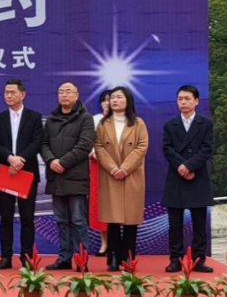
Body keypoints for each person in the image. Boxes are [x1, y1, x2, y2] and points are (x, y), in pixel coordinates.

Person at [0, 78, 44, 269]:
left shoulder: (34, 117)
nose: (9, 95)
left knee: (27, 218)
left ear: (23, 94)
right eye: (6, 92)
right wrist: (10, 158)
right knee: (5, 218)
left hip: (26, 172)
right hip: (6, 171)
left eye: (12, 92)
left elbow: (37, 142)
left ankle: (26, 257)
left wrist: (20, 159)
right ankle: (6, 256)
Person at [41, 82, 96, 271]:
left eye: (68, 91)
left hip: (75, 177)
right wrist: (50, 160)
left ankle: (82, 260)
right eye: (61, 92)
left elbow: (85, 145)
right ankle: (64, 258)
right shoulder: (52, 119)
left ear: (77, 95)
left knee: (78, 221)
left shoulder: (85, 118)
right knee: (61, 221)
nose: (64, 95)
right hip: (56, 177)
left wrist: (62, 163)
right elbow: (43, 144)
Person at [94, 86, 149, 272]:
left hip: (131, 175)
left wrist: (124, 168)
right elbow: (99, 147)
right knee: (112, 220)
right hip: (110, 176)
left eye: (119, 97)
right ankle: (113, 258)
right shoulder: (103, 124)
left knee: (131, 220)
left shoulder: (138, 123)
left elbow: (141, 147)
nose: (114, 100)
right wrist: (113, 168)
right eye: (112, 98)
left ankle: (129, 259)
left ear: (128, 100)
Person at [162, 85, 215, 273]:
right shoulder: (170, 124)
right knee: (175, 224)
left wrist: (190, 166)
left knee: (199, 224)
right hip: (176, 178)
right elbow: (167, 149)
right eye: (180, 99)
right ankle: (175, 259)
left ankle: (198, 260)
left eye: (187, 99)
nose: (183, 102)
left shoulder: (205, 124)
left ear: (196, 101)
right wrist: (181, 167)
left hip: (197, 177)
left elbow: (207, 149)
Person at [89, 90, 112, 256]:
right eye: (104, 100)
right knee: (99, 204)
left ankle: (117, 243)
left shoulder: (125, 120)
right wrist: (93, 152)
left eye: (110, 99)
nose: (107, 103)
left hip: (117, 168)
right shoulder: (94, 119)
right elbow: (87, 141)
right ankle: (104, 243)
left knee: (116, 205)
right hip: (97, 166)